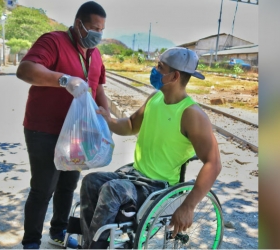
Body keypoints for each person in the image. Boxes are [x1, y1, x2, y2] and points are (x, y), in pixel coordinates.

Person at [79, 47, 222, 249]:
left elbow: (213, 163)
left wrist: (188, 205)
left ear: (175, 76)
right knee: (90, 181)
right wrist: (108, 119)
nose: (154, 70)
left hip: (157, 186)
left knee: (112, 190)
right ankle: (89, 243)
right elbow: (130, 125)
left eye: (160, 67)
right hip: (135, 176)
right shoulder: (155, 99)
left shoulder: (191, 114)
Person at [16, 1, 109, 249]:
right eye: (93, 28)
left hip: (79, 133)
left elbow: (97, 86)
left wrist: (106, 115)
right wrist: (64, 80)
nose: (97, 34)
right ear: (78, 24)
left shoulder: (95, 54)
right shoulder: (53, 41)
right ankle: (32, 241)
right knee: (43, 188)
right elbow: (25, 70)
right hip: (44, 130)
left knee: (68, 185)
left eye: (101, 29)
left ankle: (59, 231)